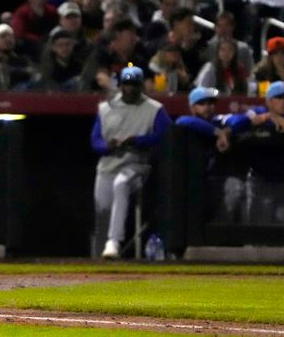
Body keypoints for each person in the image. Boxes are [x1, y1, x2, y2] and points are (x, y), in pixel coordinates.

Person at [90, 65, 172, 259]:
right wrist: (107, 145)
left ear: (141, 85)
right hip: (108, 164)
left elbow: (166, 135)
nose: (130, 89)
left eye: (134, 85)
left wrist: (138, 140)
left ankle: (114, 242)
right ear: (120, 85)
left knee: (121, 183)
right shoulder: (106, 108)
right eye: (127, 84)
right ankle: (98, 258)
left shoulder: (154, 109)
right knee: (102, 209)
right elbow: (94, 140)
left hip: (137, 164)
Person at [226, 81, 284, 224]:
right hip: (260, 179)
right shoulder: (258, 113)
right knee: (258, 229)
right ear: (269, 101)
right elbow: (233, 123)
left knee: (281, 229)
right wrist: (267, 117)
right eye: (279, 98)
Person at [175, 87, 245, 223]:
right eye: (202, 104)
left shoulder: (220, 122)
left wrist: (227, 132)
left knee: (235, 187)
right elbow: (182, 121)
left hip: (216, 180)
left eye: (210, 103)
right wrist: (218, 133)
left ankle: (223, 235)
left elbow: (241, 119)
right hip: (192, 183)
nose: (207, 107)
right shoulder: (188, 124)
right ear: (192, 107)